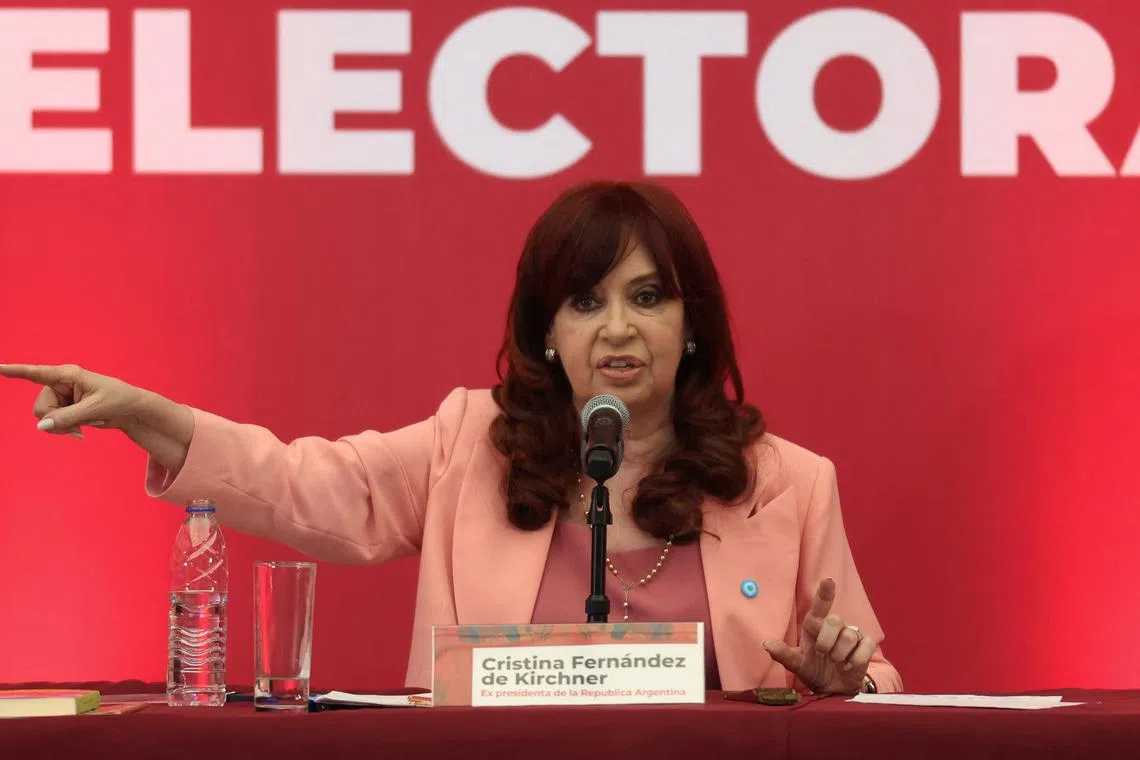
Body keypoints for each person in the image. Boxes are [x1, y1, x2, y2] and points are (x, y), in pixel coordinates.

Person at [0, 180, 902, 695]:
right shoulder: (472, 442)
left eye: (648, 297)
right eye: (585, 302)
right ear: (547, 329)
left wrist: (845, 680)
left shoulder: (784, 481)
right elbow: (305, 483)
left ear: (692, 324)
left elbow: (877, 680)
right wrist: (149, 414)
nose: (617, 329)